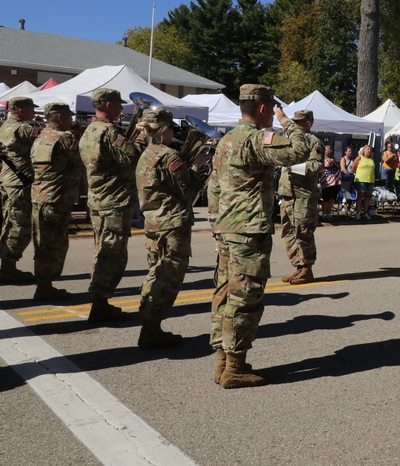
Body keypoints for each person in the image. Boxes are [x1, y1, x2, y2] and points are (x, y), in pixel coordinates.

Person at [208, 84, 310, 389]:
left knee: (225, 294)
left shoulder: (226, 140)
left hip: (228, 228)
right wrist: (287, 122)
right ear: (265, 108)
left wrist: (218, 224)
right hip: (248, 231)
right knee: (246, 299)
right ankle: (234, 369)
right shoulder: (256, 138)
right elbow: (300, 150)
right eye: (273, 108)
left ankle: (223, 362)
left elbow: (213, 187)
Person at [135, 108, 209, 349]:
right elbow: (189, 193)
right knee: (170, 275)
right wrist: (197, 167)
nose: (174, 134)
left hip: (153, 221)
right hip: (172, 223)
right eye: (172, 130)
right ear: (164, 129)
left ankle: (148, 320)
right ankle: (152, 329)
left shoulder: (147, 153)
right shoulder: (169, 157)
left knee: (155, 271)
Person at [79, 88, 142, 323]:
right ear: (106, 104)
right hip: (113, 200)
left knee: (102, 249)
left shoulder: (90, 130)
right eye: (117, 103)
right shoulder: (108, 132)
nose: (120, 107)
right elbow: (132, 157)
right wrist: (142, 138)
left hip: (99, 198)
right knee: (111, 254)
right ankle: (100, 303)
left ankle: (100, 301)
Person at [30, 103, 82, 302]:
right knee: (55, 244)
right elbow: (81, 160)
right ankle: (45, 287)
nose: (71, 119)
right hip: (57, 198)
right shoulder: (65, 138)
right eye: (69, 116)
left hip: (40, 196)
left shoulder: (41, 137)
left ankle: (44, 284)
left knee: (42, 242)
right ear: (60, 118)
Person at [277, 110, 324, 285]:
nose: (295, 124)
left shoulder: (313, 142)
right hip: (288, 194)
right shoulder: (290, 142)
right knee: (289, 233)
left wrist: (291, 167)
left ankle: (307, 269)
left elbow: (315, 166)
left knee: (303, 232)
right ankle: (298, 267)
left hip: (304, 195)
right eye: (293, 121)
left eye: (299, 121)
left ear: (308, 123)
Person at [0, 96, 39, 284]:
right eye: (31, 109)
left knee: (10, 223)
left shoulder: (5, 126)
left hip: (10, 179)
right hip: (19, 183)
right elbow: (48, 134)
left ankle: (7, 265)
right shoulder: (22, 128)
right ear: (21, 110)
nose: (34, 113)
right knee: (20, 225)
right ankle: (9, 268)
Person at [351, 145, 375, 220]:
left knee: (367, 197)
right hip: (361, 179)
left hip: (370, 180)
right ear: (364, 150)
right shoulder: (359, 158)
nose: (369, 150)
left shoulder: (371, 159)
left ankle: (365, 213)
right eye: (368, 149)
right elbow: (353, 168)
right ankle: (357, 213)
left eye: (370, 149)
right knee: (360, 196)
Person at [319, 145, 341, 220]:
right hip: (326, 182)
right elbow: (328, 164)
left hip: (334, 182)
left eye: (330, 150)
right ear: (325, 151)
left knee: (331, 198)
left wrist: (331, 161)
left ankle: (329, 213)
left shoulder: (333, 157)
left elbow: (332, 162)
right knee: (326, 199)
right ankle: (324, 214)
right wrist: (330, 161)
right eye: (328, 150)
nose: (330, 151)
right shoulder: (321, 158)